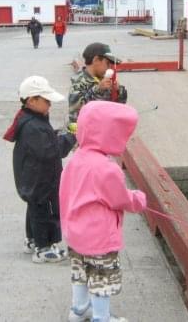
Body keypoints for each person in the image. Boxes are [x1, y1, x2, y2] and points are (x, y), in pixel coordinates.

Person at [60, 101, 147, 322]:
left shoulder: (76, 158)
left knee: (80, 273)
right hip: (98, 237)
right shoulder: (106, 168)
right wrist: (138, 199)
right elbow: (120, 199)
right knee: (101, 279)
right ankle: (101, 317)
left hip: (75, 233)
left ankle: (79, 310)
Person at [3, 75, 76, 263]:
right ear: (32, 100)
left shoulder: (32, 119)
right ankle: (43, 248)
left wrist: (59, 134)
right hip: (41, 179)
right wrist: (71, 137)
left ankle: (33, 240)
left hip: (34, 177)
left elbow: (46, 141)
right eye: (46, 100)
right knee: (45, 211)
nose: (50, 104)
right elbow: (52, 151)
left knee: (35, 208)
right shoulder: (33, 126)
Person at [68, 42, 127, 123]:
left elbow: (119, 107)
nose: (109, 68)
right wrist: (98, 89)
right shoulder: (79, 82)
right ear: (96, 60)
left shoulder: (103, 79)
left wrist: (118, 91)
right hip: (86, 129)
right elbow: (77, 111)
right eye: (107, 64)